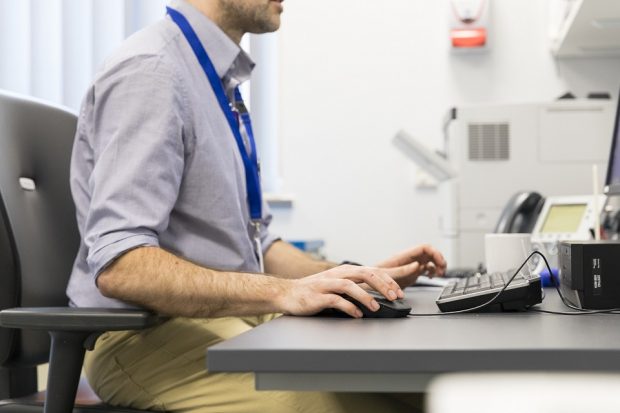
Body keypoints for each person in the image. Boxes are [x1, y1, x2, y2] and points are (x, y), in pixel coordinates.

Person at [67, 0, 447, 412]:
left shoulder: (212, 77)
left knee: (431, 388)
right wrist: (283, 292)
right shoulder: (151, 71)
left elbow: (258, 245)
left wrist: (350, 277)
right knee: (339, 403)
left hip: (232, 317)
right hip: (144, 334)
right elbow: (121, 266)